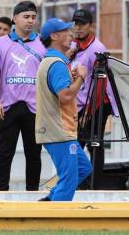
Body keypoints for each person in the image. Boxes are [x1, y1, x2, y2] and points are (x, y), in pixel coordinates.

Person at [0, 1, 46, 191]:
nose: (30, 21)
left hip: (34, 107)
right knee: (5, 153)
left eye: (33, 17)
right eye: (26, 16)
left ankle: (32, 193)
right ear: (15, 19)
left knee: (33, 154)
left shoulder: (42, 44)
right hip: (8, 106)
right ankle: (1, 193)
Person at [36, 18, 92, 201]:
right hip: (59, 131)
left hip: (59, 130)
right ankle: (55, 219)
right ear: (54, 36)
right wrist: (81, 77)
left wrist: (72, 77)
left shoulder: (53, 61)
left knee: (84, 168)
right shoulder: (57, 64)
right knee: (69, 178)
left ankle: (51, 199)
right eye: (66, 30)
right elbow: (66, 96)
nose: (71, 33)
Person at [69, 9, 118, 190]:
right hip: (81, 102)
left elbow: (100, 85)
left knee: (94, 144)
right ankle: (78, 183)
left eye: (82, 24)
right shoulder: (74, 45)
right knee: (75, 145)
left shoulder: (97, 49)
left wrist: (88, 113)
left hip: (97, 102)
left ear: (91, 25)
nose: (78, 27)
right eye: (76, 24)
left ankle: (95, 188)